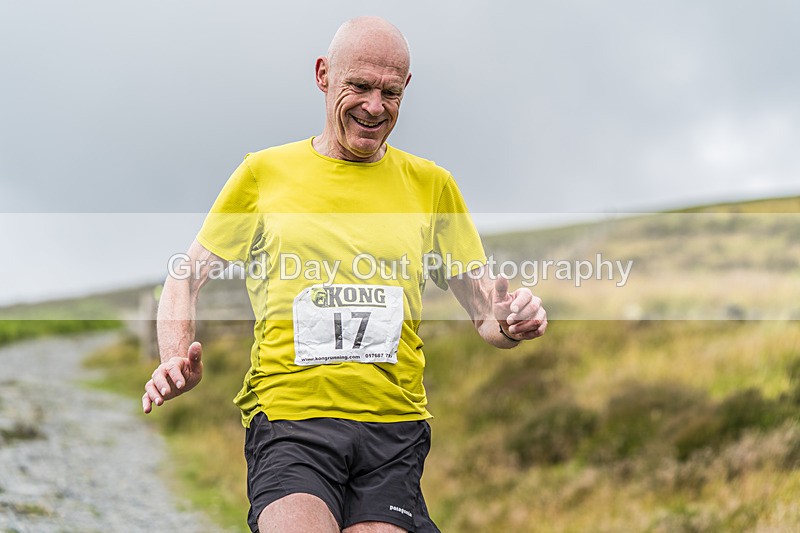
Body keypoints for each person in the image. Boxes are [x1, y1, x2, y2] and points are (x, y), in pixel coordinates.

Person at [142, 16, 547, 533]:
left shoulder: (433, 185)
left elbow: (485, 314)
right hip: (291, 421)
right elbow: (186, 276)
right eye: (359, 86)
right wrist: (174, 357)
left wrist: (510, 322)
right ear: (323, 75)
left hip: (394, 432)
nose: (375, 107)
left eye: (391, 92)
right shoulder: (264, 173)